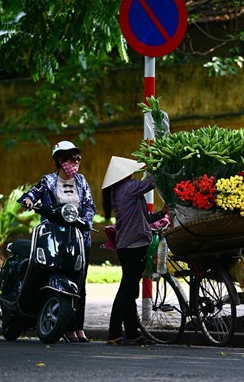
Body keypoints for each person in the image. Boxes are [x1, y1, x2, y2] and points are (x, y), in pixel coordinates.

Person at [18, 140, 96, 343]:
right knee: (55, 274)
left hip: (79, 238)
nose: (76, 162)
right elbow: (33, 193)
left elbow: (89, 205)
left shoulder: (81, 181)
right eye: (72, 158)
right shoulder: (49, 181)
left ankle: (78, 327)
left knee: (80, 282)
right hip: (54, 237)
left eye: (78, 158)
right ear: (61, 160)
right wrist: (28, 200)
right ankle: (65, 325)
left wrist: (86, 221)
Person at [101, 155, 165, 346]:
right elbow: (152, 182)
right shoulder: (128, 188)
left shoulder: (120, 191)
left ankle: (132, 333)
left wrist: (162, 213)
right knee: (127, 291)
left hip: (129, 246)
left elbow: (145, 218)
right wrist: (158, 163)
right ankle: (114, 333)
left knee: (130, 291)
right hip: (133, 247)